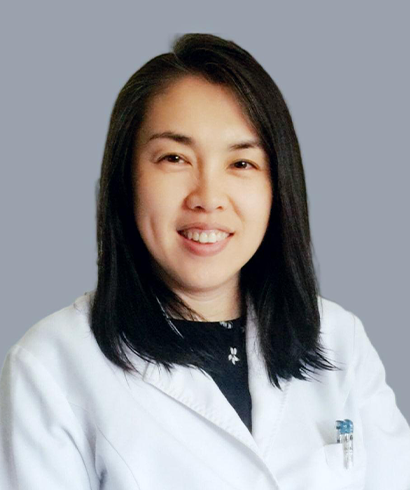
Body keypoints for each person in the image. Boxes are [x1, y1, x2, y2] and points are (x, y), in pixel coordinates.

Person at [0, 33, 409, 490]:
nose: (208, 198)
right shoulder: (52, 366)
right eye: (175, 158)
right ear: (126, 179)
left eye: (241, 164)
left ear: (277, 187)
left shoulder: (339, 340)